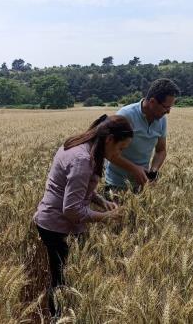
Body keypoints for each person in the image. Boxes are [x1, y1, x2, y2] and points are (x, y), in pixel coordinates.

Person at [33, 114, 133, 317]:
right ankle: (57, 318)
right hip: (56, 226)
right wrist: (106, 217)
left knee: (70, 273)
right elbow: (71, 209)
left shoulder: (82, 145)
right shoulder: (82, 160)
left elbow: (79, 186)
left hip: (55, 222)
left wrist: (101, 201)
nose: (118, 154)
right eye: (120, 148)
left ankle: (65, 314)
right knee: (61, 280)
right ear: (109, 139)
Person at [105, 78, 180, 195]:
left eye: (170, 107)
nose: (168, 112)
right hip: (116, 183)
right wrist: (134, 169)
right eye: (166, 107)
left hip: (141, 184)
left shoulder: (162, 120)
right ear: (152, 102)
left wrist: (153, 171)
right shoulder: (125, 115)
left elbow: (161, 150)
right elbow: (109, 153)